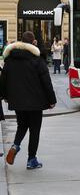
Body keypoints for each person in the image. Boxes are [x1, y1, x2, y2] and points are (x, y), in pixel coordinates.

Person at [0, 31, 56, 169]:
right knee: (34, 130)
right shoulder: (37, 60)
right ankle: (31, 159)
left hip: (17, 101)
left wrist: (5, 96)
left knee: (22, 125)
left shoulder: (9, 60)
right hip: (36, 102)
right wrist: (52, 99)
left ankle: (15, 145)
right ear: (33, 43)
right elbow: (46, 82)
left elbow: (3, 81)